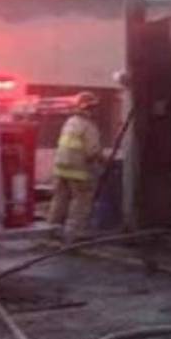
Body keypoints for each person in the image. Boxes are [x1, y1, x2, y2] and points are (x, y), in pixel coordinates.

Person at [47, 91, 104, 242]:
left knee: (59, 200)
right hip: (78, 171)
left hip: (61, 169)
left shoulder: (70, 122)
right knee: (81, 202)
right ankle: (74, 235)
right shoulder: (89, 126)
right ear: (90, 108)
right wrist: (103, 160)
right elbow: (92, 151)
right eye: (95, 107)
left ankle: (51, 231)